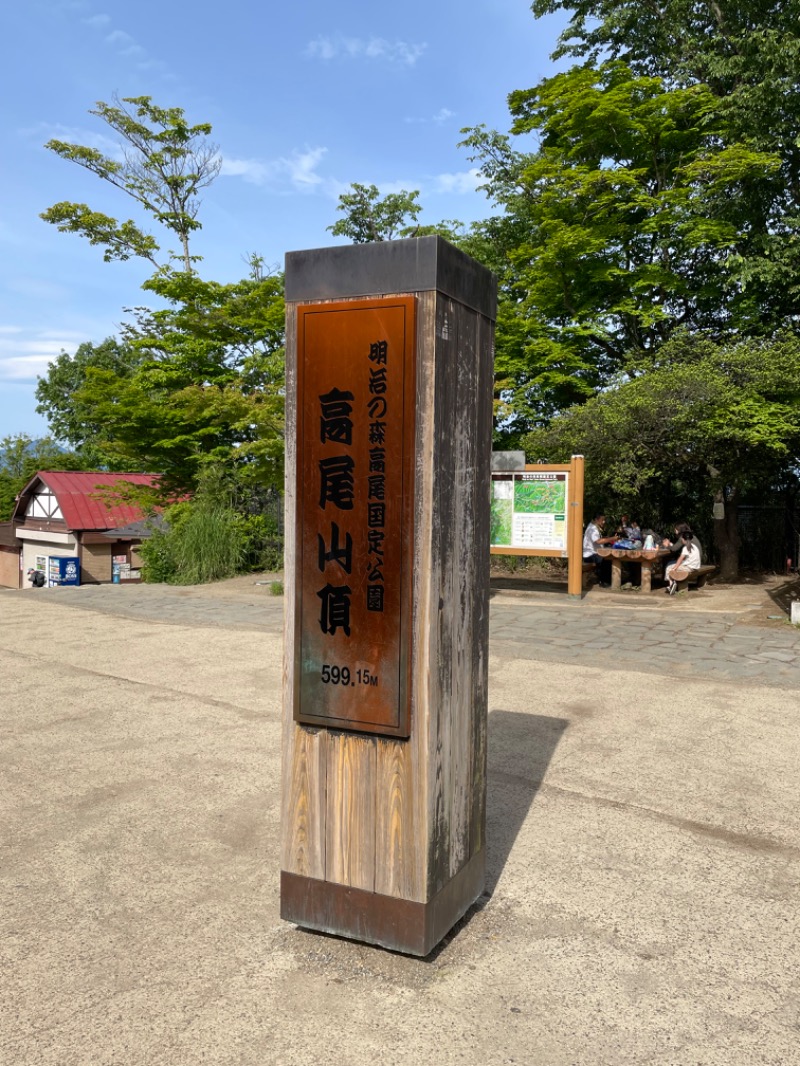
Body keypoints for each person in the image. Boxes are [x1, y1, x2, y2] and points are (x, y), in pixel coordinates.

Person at [583, 513, 615, 586]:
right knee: (606, 559)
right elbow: (598, 541)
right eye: (602, 520)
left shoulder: (594, 527)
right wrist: (612, 538)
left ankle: (605, 580)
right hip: (590, 555)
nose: (604, 522)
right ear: (596, 520)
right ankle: (604, 582)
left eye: (604, 520)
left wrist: (607, 539)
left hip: (594, 553)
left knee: (607, 558)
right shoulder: (592, 529)